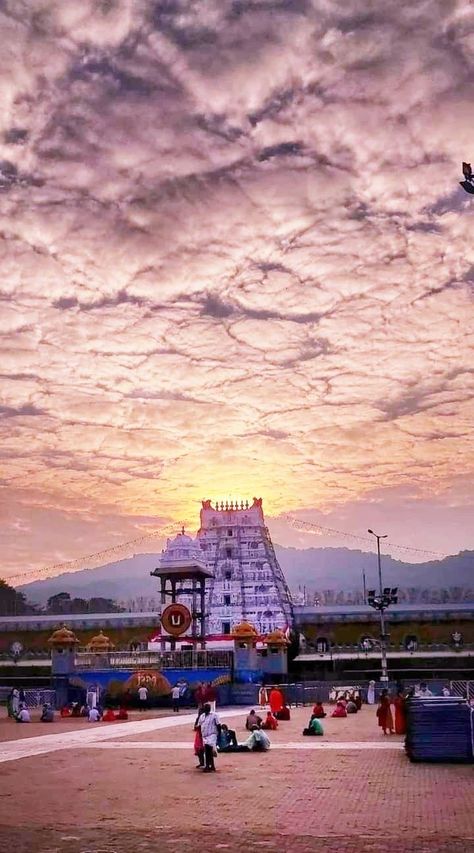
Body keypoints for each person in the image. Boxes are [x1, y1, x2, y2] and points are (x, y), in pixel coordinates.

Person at [197, 703, 221, 772]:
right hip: (204, 736)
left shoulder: (214, 715)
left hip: (212, 735)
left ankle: (207, 766)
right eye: (205, 707)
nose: (206, 709)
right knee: (209, 751)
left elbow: (218, 725)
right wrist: (200, 735)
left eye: (207, 707)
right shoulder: (202, 716)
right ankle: (212, 766)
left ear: (210, 708)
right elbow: (199, 725)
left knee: (208, 750)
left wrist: (218, 735)